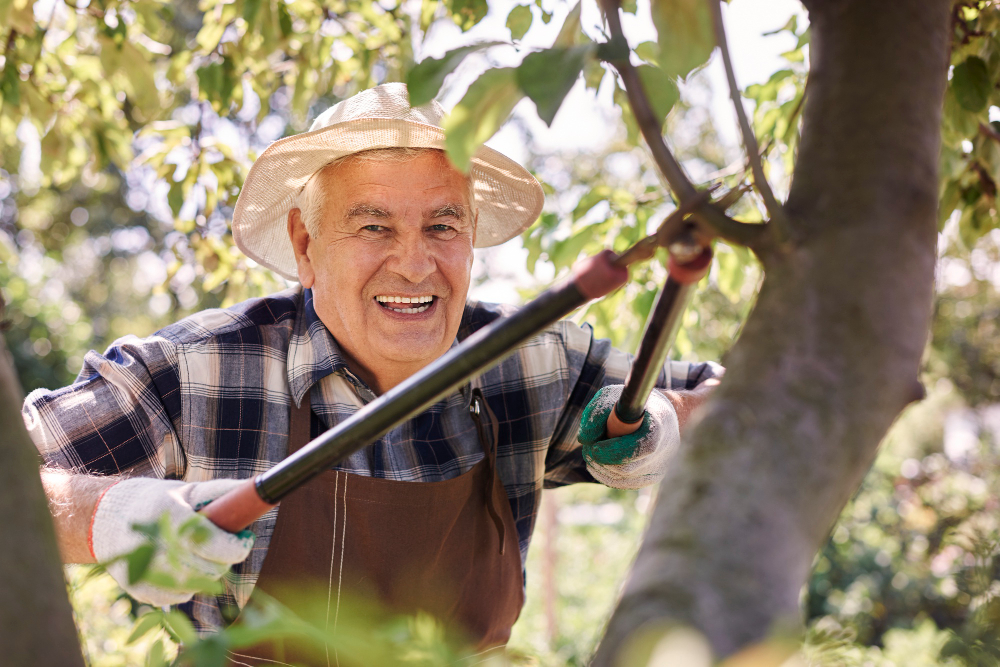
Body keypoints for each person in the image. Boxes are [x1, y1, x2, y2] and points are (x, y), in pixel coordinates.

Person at [22, 83, 721, 660]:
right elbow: (8, 482)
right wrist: (115, 516)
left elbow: (735, 400)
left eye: (442, 226)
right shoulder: (198, 371)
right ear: (305, 244)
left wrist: (661, 422)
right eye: (374, 227)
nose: (415, 265)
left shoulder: (531, 359)